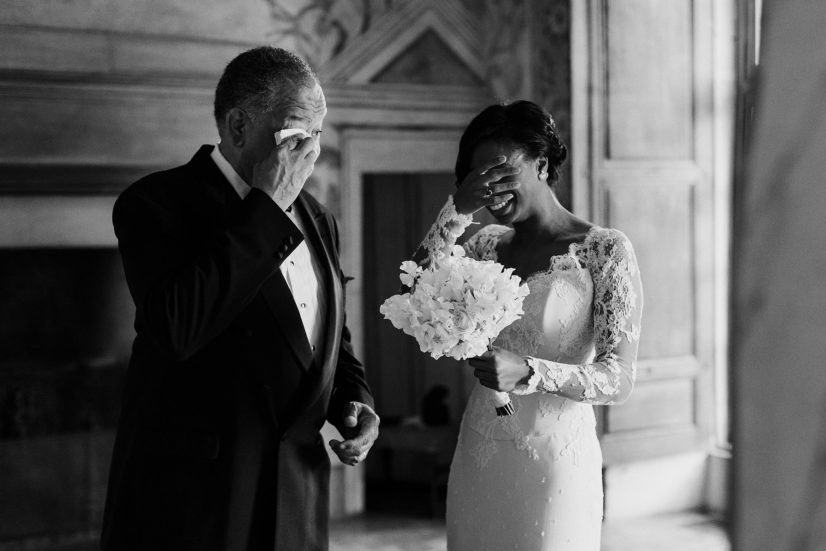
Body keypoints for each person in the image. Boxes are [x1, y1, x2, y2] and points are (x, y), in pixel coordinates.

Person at [100, 46, 379, 551]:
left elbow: (328, 337)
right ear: (237, 127)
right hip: (193, 501)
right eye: (297, 134)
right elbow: (177, 328)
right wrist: (266, 208)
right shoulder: (154, 204)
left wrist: (353, 400)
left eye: (318, 135)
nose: (311, 154)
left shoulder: (319, 218)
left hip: (295, 493)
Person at [412, 100, 643, 550]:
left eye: (500, 174)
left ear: (541, 163)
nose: (491, 192)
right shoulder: (483, 245)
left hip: (555, 459)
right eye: (477, 180)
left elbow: (620, 378)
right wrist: (457, 210)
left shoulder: (603, 251)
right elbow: (416, 290)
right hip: (480, 447)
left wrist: (532, 371)